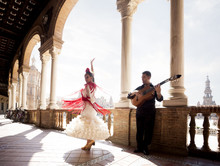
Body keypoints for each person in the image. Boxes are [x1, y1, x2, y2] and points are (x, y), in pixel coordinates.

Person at [62, 59, 111, 150]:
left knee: (87, 124)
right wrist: (91, 65)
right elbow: (93, 74)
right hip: (89, 107)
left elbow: (91, 98)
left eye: (87, 77)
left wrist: (89, 101)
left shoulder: (88, 86)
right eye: (85, 77)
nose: (86, 78)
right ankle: (89, 143)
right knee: (89, 124)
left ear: (91, 78)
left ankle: (90, 142)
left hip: (89, 107)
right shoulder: (93, 84)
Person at [133, 71, 163, 155]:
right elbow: (130, 96)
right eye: (142, 77)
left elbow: (160, 99)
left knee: (148, 131)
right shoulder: (139, 88)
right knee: (139, 130)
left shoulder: (154, 88)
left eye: (144, 77)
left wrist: (158, 92)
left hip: (149, 112)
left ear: (149, 77)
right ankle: (139, 147)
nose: (142, 79)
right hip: (139, 112)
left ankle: (145, 148)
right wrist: (133, 94)